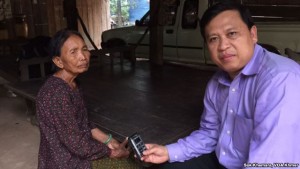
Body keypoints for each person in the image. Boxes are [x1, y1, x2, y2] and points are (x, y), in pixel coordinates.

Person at [141, 2, 300, 169]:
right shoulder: (217, 82)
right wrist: (168, 152)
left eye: (231, 33)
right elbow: (210, 133)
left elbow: (270, 163)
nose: (223, 46)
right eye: (213, 39)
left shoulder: (280, 79)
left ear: (253, 34)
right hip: (223, 161)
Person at [36, 29, 140, 169]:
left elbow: (83, 123)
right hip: (66, 162)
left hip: (76, 152)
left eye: (84, 49)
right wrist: (112, 152)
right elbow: (78, 145)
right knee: (127, 165)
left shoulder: (73, 84)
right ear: (58, 61)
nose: (83, 57)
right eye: (73, 52)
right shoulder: (56, 94)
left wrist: (109, 140)